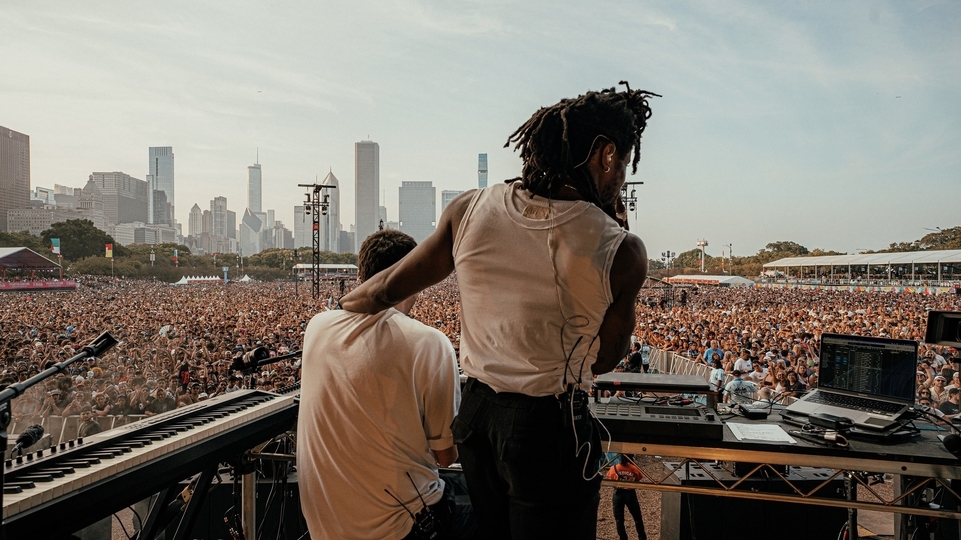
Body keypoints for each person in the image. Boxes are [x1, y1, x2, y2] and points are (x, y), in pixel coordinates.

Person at [341, 82, 657, 538]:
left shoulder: (469, 208)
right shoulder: (621, 249)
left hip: (477, 418)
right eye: (624, 164)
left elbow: (383, 288)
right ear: (607, 155)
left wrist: (332, 319)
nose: (622, 178)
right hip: (548, 428)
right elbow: (605, 358)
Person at [297, 230, 461, 540]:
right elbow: (445, 457)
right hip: (403, 527)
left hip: (325, 527)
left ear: (360, 275)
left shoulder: (317, 327)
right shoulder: (429, 343)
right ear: (416, 276)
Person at [605, 455, 647, 540]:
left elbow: (610, 477)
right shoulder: (633, 468)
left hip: (618, 494)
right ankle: (642, 537)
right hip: (630, 494)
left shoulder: (614, 468)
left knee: (619, 520)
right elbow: (638, 478)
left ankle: (623, 538)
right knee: (637, 518)